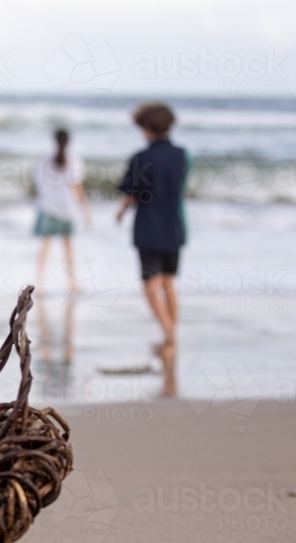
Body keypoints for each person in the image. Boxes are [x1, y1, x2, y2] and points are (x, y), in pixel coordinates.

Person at [116, 102, 188, 357]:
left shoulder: (141, 158)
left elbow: (131, 195)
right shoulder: (181, 155)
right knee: (169, 282)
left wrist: (121, 212)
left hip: (148, 228)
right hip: (174, 225)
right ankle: (171, 337)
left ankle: (168, 333)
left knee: (149, 285)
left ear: (147, 127)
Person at [34, 128, 92, 293]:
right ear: (69, 142)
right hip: (67, 209)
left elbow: (39, 184)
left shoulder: (44, 162)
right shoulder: (74, 162)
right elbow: (77, 187)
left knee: (45, 246)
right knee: (69, 248)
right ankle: (72, 283)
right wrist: (85, 209)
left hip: (48, 207)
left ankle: (39, 283)